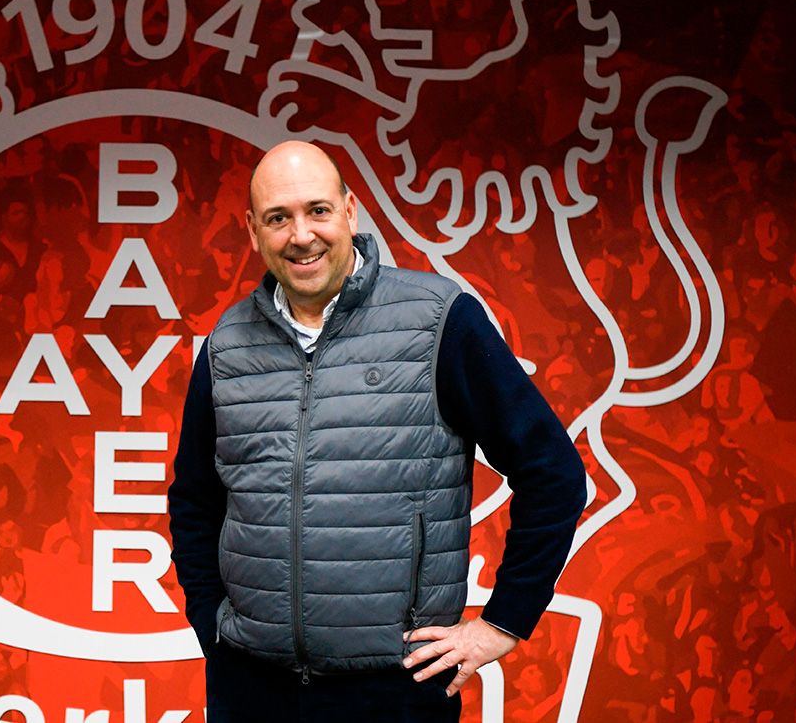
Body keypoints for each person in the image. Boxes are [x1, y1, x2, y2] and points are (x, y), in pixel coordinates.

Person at [168, 140, 587, 722]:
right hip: (250, 690)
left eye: (317, 210)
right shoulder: (227, 345)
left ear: (349, 211)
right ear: (253, 230)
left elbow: (554, 473)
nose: (301, 235)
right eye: (278, 218)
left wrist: (503, 622)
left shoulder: (438, 320)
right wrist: (213, 626)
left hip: (395, 691)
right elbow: (195, 501)